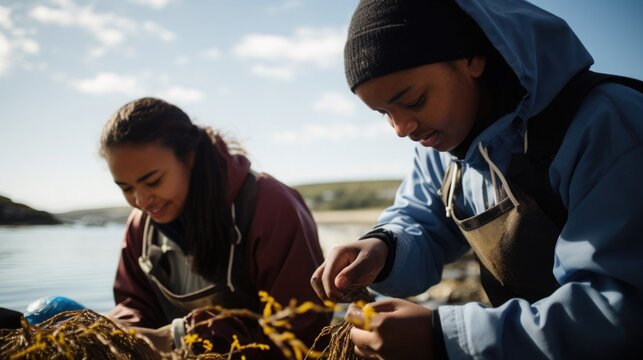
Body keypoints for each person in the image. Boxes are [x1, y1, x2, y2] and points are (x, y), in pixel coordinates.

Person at [310, 0, 643, 358]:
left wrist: (443, 339)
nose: (401, 129)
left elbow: (620, 310)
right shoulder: (441, 146)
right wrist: (383, 249)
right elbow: (420, 220)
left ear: (474, 57)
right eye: (384, 114)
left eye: (414, 100)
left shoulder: (610, 126)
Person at [100, 97, 330, 357]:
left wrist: (180, 337)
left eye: (153, 181)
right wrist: (123, 334)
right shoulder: (140, 225)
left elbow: (304, 332)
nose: (141, 201)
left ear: (190, 157)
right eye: (126, 188)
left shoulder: (270, 206)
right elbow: (134, 306)